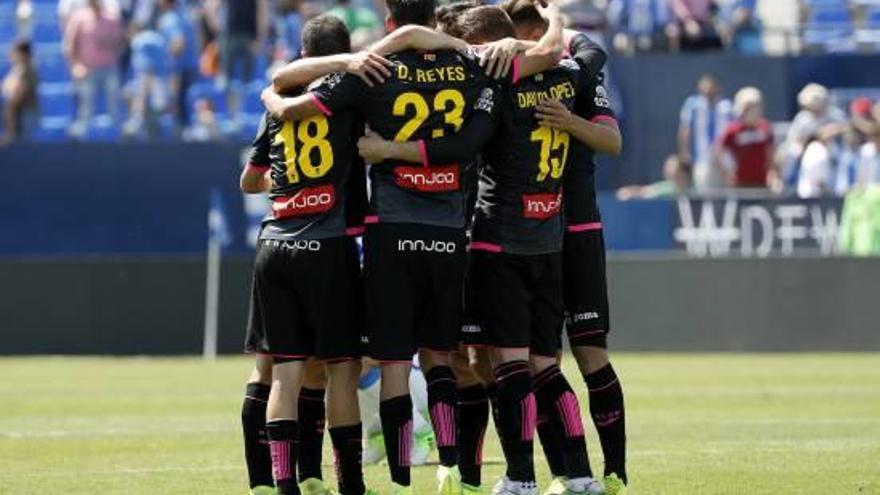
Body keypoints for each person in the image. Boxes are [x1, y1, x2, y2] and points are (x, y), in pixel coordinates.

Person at [262, 1, 564, 492]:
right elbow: (550, 55)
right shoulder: (473, 61)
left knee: (395, 362)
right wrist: (545, 22)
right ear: (434, 19)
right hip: (449, 229)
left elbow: (288, 92)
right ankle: (449, 464)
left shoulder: (372, 67)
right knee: (442, 355)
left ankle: (402, 477)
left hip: (390, 229)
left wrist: (275, 97)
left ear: (387, 22)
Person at [355, 4, 612, 494]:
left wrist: (387, 148)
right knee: (533, 366)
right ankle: (576, 473)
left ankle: (517, 476)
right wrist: (552, 16)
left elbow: (463, 142)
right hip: (546, 236)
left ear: (476, 40)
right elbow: (574, 50)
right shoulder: (556, 71)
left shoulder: (486, 72)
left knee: (498, 364)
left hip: (491, 236)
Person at [239, 15, 373, 495]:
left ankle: (280, 482)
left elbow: (249, 180)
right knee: (341, 368)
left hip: (275, 242)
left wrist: (294, 189)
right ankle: (350, 484)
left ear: (303, 50)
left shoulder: (279, 101)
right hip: (330, 243)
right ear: (346, 49)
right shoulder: (352, 94)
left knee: (284, 370)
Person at [63, 0, 125, 137]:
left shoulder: (113, 19)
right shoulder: (78, 18)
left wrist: (110, 43)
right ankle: (81, 136)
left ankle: (117, 135)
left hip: (109, 68)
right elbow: (69, 46)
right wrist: (76, 66)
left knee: (114, 100)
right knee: (86, 104)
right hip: (87, 69)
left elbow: (120, 43)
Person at [779, 83, 847, 188]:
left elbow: (846, 132)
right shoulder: (802, 119)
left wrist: (829, 133)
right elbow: (793, 142)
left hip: (833, 162)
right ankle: (789, 184)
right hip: (806, 162)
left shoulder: (835, 116)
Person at [678, 73, 733, 193]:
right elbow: (685, 129)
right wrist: (684, 152)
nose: (708, 91)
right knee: (705, 190)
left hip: (725, 158)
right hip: (702, 157)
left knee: (728, 191)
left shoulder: (726, 107)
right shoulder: (693, 105)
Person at [716, 86, 775, 188]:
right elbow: (719, 151)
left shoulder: (764, 127)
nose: (756, 111)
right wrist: (728, 171)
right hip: (740, 183)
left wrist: (772, 173)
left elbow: (771, 151)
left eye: (757, 106)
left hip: (762, 182)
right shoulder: (733, 130)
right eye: (751, 107)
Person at [156, 0, 200, 129]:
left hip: (177, 71)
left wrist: (164, 57)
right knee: (184, 109)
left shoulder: (170, 19)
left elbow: (178, 43)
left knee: (177, 109)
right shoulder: (185, 15)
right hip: (189, 67)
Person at [1, 40, 39, 144]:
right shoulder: (16, 70)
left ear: (23, 54)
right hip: (16, 116)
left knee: (22, 149)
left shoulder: (28, 70)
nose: (11, 55)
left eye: (15, 52)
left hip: (25, 114)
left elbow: (19, 94)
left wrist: (9, 132)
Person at [617, 154, 692, 199]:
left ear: (682, 172)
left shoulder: (694, 189)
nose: (668, 170)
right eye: (667, 166)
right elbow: (646, 191)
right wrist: (629, 193)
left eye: (672, 167)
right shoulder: (666, 187)